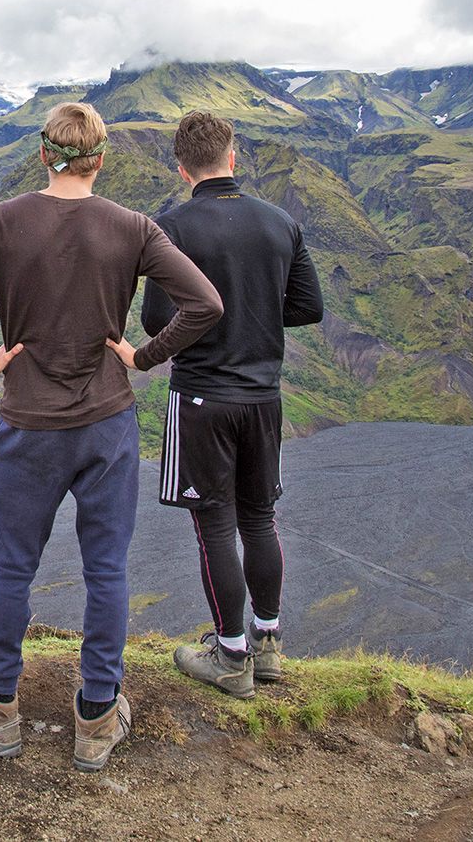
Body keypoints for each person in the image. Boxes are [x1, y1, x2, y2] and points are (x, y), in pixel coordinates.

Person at [0, 101, 224, 771]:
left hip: (28, 426)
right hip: (107, 426)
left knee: (14, 569)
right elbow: (205, 304)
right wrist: (143, 356)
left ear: (42, 154)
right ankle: (97, 718)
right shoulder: (132, 227)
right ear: (100, 159)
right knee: (106, 570)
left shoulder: (1, 222)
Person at [141, 111, 324, 699]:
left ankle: (229, 655)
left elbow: (155, 320)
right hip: (263, 397)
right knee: (258, 518)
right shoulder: (280, 223)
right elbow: (309, 307)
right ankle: (267, 644)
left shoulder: (171, 228)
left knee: (214, 526)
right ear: (233, 158)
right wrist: (256, 310)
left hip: (202, 397)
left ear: (181, 167)